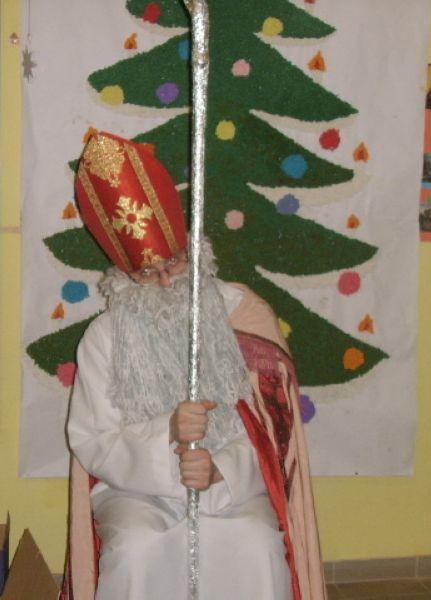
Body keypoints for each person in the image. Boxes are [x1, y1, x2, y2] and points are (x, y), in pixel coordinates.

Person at [61, 132, 325, 599]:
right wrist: (165, 433)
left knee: (257, 544)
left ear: (193, 251)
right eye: (147, 272)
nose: (166, 282)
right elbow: (92, 440)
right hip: (136, 491)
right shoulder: (104, 337)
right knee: (137, 550)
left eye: (175, 263)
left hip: (234, 485)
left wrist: (222, 468)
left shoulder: (241, 315)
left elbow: (274, 431)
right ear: (124, 275)